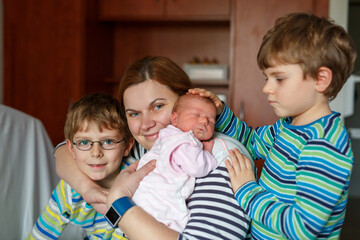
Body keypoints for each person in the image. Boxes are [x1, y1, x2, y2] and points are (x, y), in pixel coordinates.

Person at [192, 12, 356, 239]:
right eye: (266, 78)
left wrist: (246, 190)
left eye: (279, 78)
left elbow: (302, 227)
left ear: (320, 79)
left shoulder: (325, 143)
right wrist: (220, 113)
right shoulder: (287, 126)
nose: (267, 88)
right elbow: (250, 141)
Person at [55, 56, 253, 239]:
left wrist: (118, 203)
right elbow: (64, 151)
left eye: (158, 106)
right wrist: (88, 189)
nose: (145, 124)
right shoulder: (151, 146)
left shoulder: (222, 158)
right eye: (133, 114)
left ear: (188, 99)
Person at [28, 93, 133, 239]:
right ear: (71, 148)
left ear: (127, 146)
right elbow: (40, 235)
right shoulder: (69, 191)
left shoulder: (138, 183)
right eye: (84, 142)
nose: (96, 153)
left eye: (108, 141)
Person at [132, 94, 218, 232]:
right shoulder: (181, 140)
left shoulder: (168, 137)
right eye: (196, 115)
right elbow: (197, 168)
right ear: (175, 119)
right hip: (158, 201)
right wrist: (207, 153)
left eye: (211, 120)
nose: (204, 121)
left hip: (143, 200)